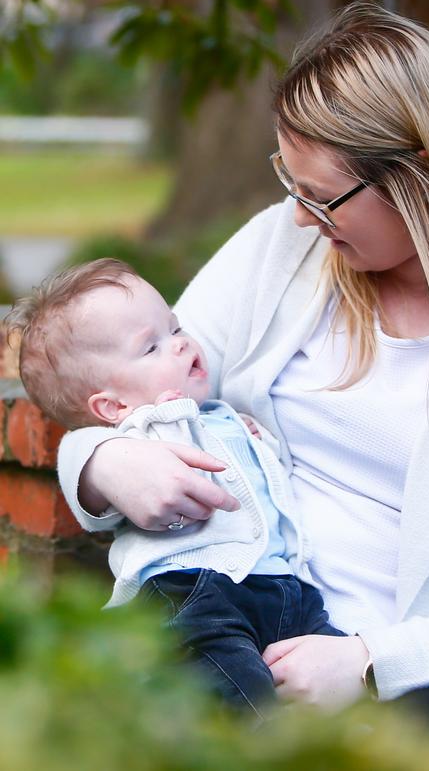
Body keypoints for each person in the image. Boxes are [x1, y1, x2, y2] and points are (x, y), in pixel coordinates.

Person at [56, 2, 429, 746]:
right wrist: (103, 460)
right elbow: (142, 380)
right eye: (289, 182)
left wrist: (371, 661)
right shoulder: (284, 250)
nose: (300, 216)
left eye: (321, 194)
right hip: (239, 638)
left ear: (422, 173)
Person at [4, 258, 343, 718]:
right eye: (151, 348)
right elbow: (96, 472)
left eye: (176, 327)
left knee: (336, 692)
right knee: (242, 705)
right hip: (193, 593)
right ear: (113, 405)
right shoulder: (147, 428)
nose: (181, 344)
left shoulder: (222, 415)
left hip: (284, 589)